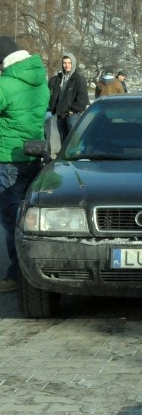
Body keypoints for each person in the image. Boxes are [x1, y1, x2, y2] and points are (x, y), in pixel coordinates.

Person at [0, 36, 50, 292]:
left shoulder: (5, 84)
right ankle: (31, 268)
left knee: (11, 220)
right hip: (33, 155)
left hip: (8, 157)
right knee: (26, 216)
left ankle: (16, 274)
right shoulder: (40, 82)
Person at [47, 52, 89, 142]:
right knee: (63, 142)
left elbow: (83, 99)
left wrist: (72, 110)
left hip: (72, 116)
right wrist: (53, 108)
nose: (67, 65)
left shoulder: (79, 79)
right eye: (64, 63)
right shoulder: (59, 79)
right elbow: (54, 95)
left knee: (73, 142)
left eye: (69, 63)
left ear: (73, 63)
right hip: (60, 115)